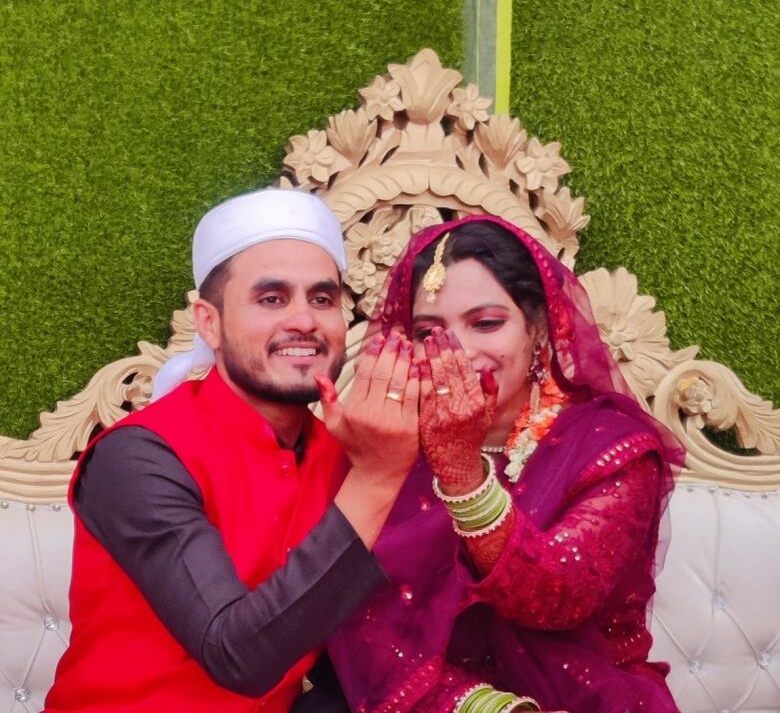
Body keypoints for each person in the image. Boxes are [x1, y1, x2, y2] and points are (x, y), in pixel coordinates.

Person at [44, 189, 421, 713]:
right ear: (209, 323)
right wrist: (377, 478)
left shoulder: (345, 456)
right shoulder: (136, 458)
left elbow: (376, 641)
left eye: (322, 298)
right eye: (272, 299)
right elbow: (237, 655)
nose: (305, 321)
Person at [327, 216, 684, 713]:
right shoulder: (392, 446)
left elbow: (557, 595)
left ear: (539, 327)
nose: (461, 352)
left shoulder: (611, 446)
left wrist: (462, 475)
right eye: (430, 332)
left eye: (486, 323)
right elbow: (361, 620)